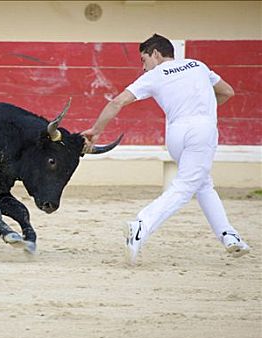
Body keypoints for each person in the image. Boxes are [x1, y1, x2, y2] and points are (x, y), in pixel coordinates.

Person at [81, 33, 250, 265]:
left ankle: (229, 235)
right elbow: (227, 92)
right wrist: (204, 106)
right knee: (186, 185)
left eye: (143, 59)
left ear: (156, 54)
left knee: (202, 183)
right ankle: (142, 224)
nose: (143, 67)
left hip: (176, 133)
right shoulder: (198, 65)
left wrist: (96, 130)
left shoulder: (155, 75)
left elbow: (117, 102)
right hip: (201, 129)